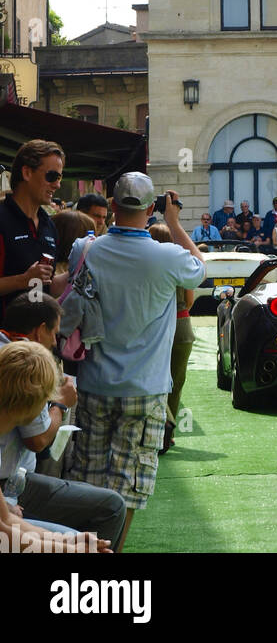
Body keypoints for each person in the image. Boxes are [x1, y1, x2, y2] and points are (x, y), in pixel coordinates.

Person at [68, 172, 205, 551]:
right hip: (145, 389)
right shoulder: (166, 256)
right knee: (128, 483)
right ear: (150, 209)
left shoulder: (86, 249)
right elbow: (200, 267)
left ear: (112, 206)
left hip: (93, 383)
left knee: (88, 477)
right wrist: (174, 223)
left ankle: (83, 551)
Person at [0, 293, 126, 547]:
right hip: (13, 484)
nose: (56, 342)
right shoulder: (24, 366)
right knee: (109, 509)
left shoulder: (13, 361)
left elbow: (6, 523)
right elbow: (38, 439)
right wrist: (59, 404)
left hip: (13, 489)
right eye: (54, 333)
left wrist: (75, 543)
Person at [0, 139, 67, 317]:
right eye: (52, 176)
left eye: (60, 178)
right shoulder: (3, 219)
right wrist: (22, 280)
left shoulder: (49, 225)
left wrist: (78, 271)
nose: (57, 185)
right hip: (6, 341)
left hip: (39, 340)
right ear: (27, 172)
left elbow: (45, 286)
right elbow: (29, 281)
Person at [146, 224, 196, 455]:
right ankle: (170, 434)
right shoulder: (178, 264)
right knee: (176, 382)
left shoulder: (147, 265)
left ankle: (156, 428)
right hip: (182, 326)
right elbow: (189, 299)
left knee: (153, 378)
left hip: (154, 327)